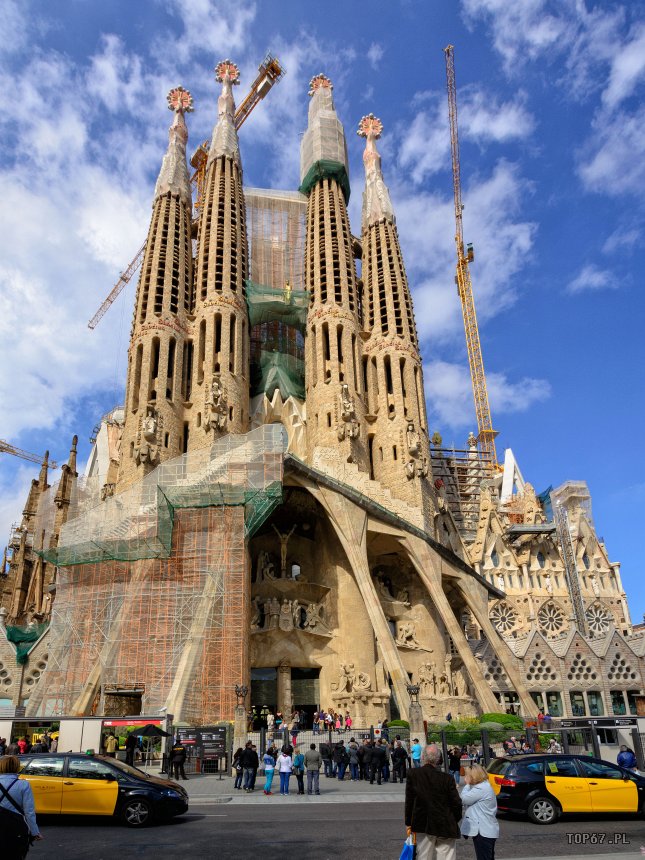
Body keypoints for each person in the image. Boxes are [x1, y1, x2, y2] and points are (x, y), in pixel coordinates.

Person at [404, 744, 462, 860]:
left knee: (424, 856)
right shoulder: (447, 778)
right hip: (445, 822)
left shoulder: (413, 774)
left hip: (423, 822)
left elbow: (409, 801)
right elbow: (456, 803)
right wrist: (454, 818)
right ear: (438, 759)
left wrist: (408, 822)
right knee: (446, 856)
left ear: (422, 757)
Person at [0, 754, 43, 856]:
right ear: (17, 767)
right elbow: (29, 812)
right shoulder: (24, 785)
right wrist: (35, 832)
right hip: (17, 827)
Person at [460, 763, 499, 860]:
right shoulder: (484, 786)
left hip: (484, 831)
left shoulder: (481, 788)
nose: (466, 777)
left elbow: (464, 799)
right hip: (486, 830)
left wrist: (467, 785)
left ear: (473, 776)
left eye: (467, 775)